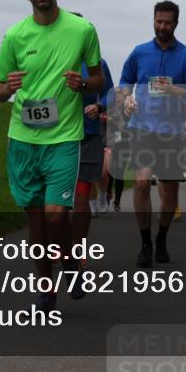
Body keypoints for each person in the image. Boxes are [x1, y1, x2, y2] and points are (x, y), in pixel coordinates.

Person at [0, 0, 103, 312]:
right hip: (23, 139)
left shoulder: (82, 30)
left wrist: (84, 83)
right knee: (36, 220)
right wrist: (5, 88)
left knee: (56, 214)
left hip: (64, 139)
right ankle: (45, 290)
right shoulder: (14, 35)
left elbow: (98, 79)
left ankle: (69, 262)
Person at [119, 0, 186, 267]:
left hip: (170, 131)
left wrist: (175, 90)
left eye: (167, 22)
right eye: (158, 21)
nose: (162, 26)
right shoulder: (139, 52)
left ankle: (162, 237)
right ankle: (145, 242)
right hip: (142, 127)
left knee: (169, 192)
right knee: (142, 183)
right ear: (153, 20)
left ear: (176, 24)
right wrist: (125, 100)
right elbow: (124, 82)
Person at [72, 51, 114, 250]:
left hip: (87, 138)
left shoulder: (97, 64)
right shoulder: (50, 57)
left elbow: (110, 93)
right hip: (53, 139)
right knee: (55, 201)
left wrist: (99, 105)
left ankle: (77, 250)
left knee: (81, 198)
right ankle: (57, 245)